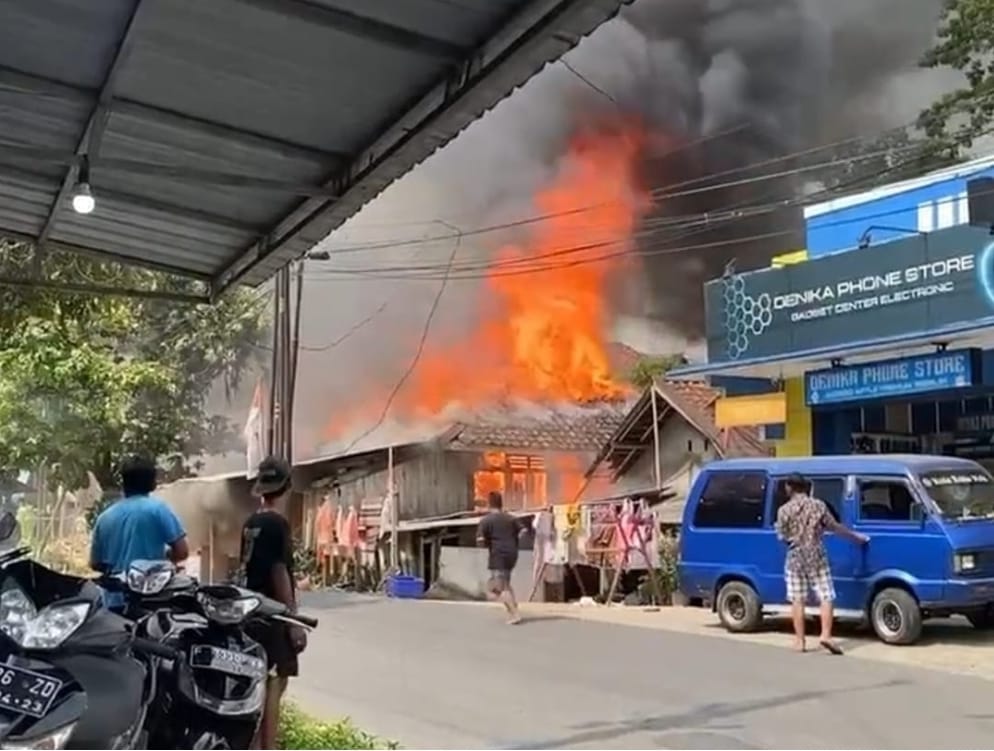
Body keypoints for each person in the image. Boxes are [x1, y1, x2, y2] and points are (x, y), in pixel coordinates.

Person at [237, 455, 306, 750]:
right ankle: (268, 747)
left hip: (250, 612)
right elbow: (279, 571)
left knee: (257, 685)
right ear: (287, 487)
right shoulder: (277, 524)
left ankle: (254, 745)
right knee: (274, 685)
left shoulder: (251, 522)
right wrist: (294, 621)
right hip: (271, 616)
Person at [775, 473, 868, 654]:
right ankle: (825, 635)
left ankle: (800, 641)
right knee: (826, 596)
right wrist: (856, 537)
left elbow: (782, 536)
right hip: (817, 555)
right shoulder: (819, 505)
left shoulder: (783, 511)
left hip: (795, 557)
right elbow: (834, 527)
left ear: (789, 487)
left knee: (798, 600)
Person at [89, 454, 189, 609]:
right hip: (150, 601)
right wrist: (165, 558)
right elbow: (182, 552)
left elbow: (95, 564)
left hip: (113, 603)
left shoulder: (105, 517)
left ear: (123, 482)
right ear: (152, 483)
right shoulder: (158, 510)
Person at [476, 490, 525, 625]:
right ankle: (513, 606)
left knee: (498, 588)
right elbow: (523, 531)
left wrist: (485, 545)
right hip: (512, 554)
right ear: (501, 503)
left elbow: (480, 540)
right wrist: (513, 540)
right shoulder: (511, 518)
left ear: (489, 504)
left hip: (498, 555)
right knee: (505, 583)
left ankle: (514, 613)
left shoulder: (486, 521)